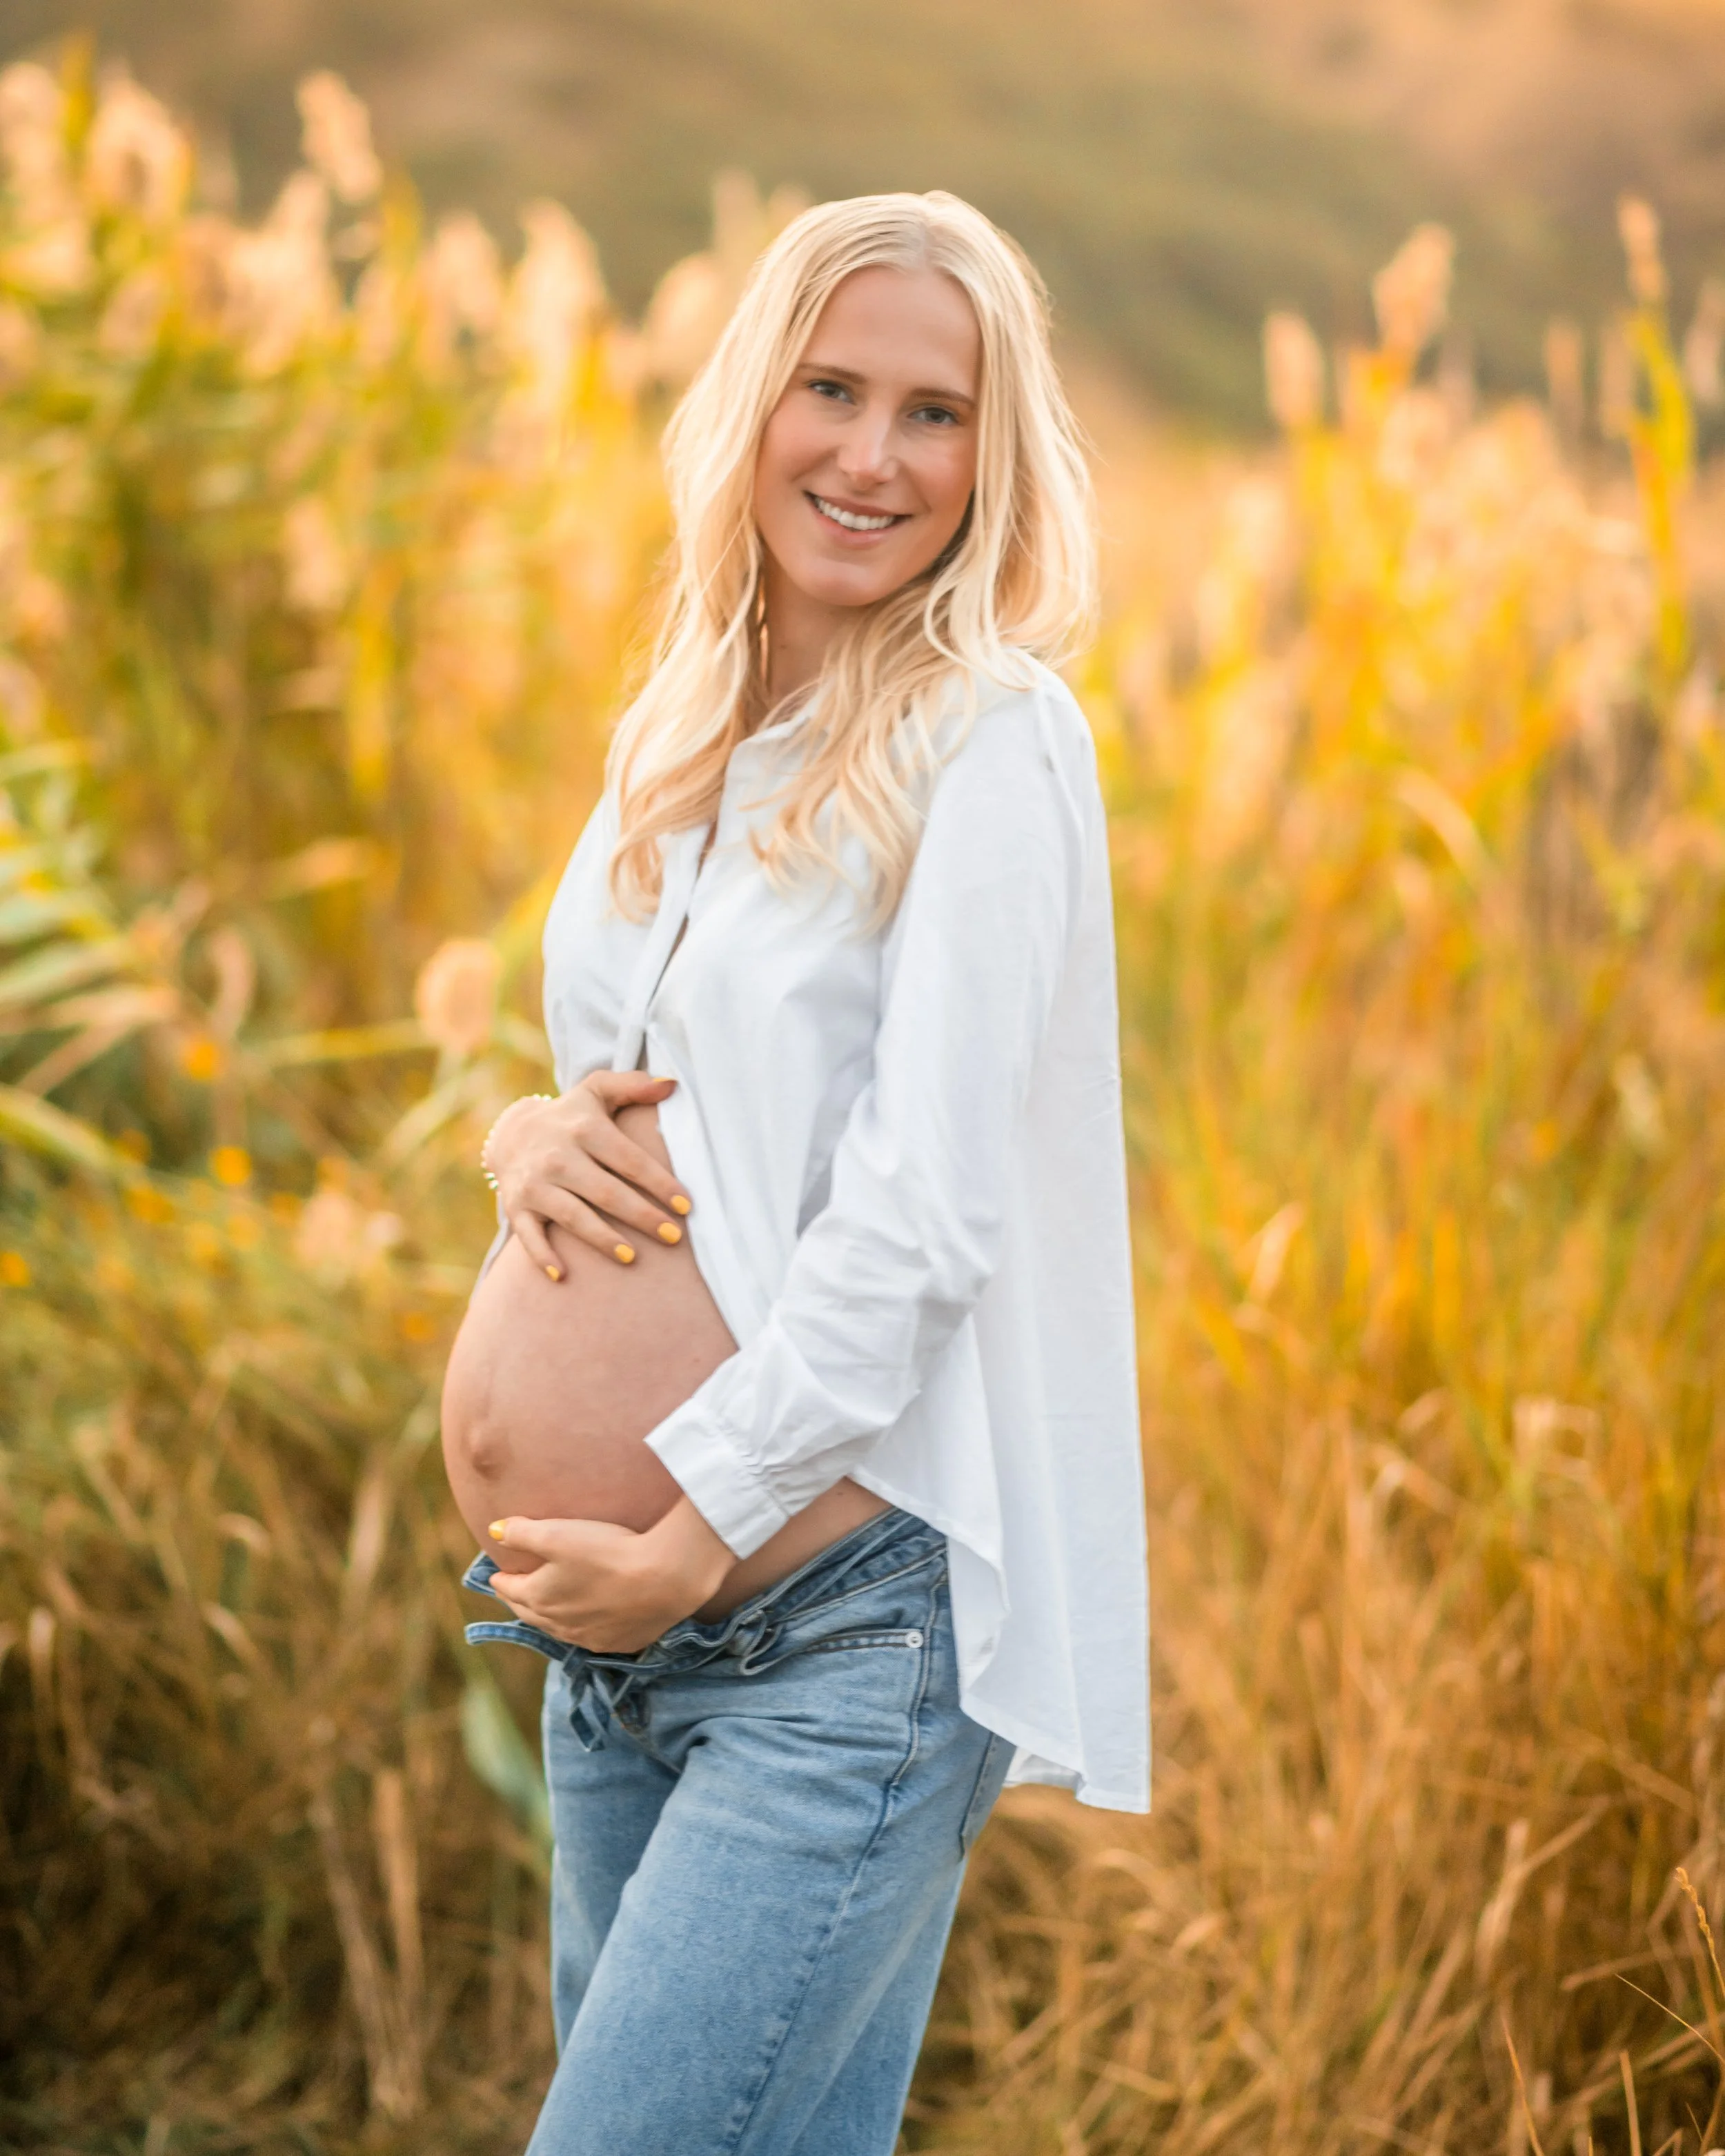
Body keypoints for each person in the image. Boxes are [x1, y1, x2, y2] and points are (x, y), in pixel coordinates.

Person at [454, 189, 1148, 2156]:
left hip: (826, 1636)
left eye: (934, 414)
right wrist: (519, 1135)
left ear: (991, 459)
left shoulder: (990, 741)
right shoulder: (682, 715)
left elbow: (924, 1210)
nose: (870, 453)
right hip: (615, 1643)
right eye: (831, 388)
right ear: (752, 398)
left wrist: (694, 1518)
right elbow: (654, 1096)